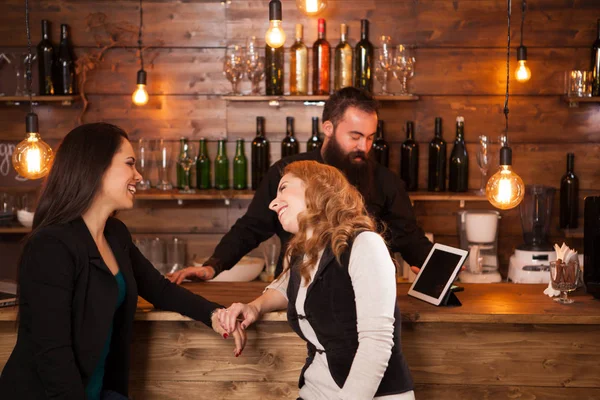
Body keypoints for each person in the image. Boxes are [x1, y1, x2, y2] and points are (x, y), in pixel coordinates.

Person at [0, 123, 245, 400]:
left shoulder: (115, 235)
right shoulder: (51, 246)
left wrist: (214, 315)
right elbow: (53, 354)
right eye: (130, 164)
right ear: (96, 167)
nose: (138, 176)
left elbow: (160, 290)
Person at [168, 87, 432, 284]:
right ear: (328, 127)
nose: (364, 147)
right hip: (296, 291)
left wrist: (438, 269)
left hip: (364, 297)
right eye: (355, 136)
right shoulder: (288, 173)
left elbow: (409, 238)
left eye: (370, 138)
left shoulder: (386, 182)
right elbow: (251, 227)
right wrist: (213, 266)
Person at [218, 160, 415, 399]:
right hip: (315, 391)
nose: (272, 203)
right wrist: (253, 306)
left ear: (316, 187)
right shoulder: (301, 251)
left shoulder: (365, 244)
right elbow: (289, 286)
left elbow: (377, 344)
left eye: (283, 188)